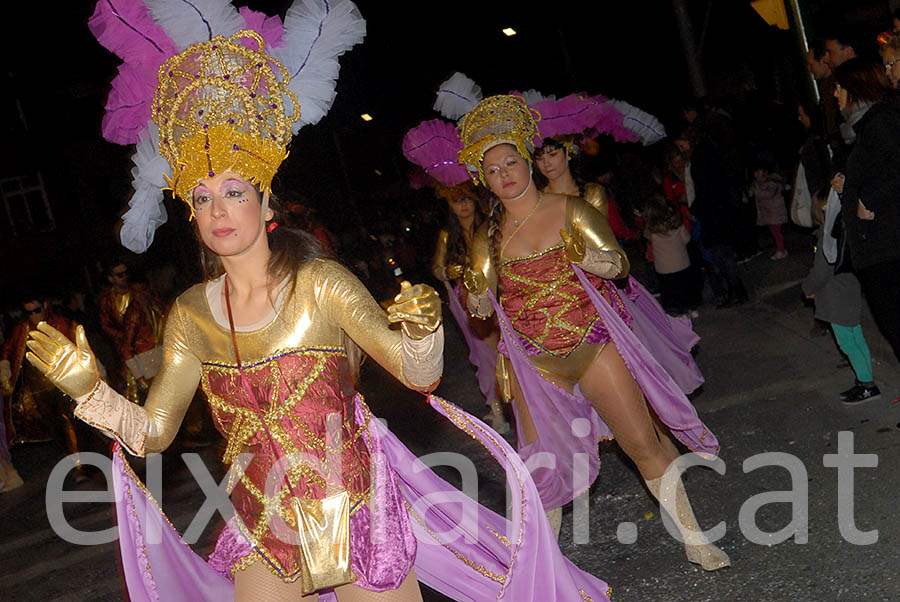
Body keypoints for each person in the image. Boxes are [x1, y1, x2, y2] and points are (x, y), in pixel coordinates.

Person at [27, 7, 613, 601]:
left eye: (233, 192)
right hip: (264, 529)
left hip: (359, 518)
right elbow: (153, 433)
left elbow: (420, 375)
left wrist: (422, 331)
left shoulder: (321, 283)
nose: (219, 211)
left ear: (267, 204)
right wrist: (88, 391)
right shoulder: (191, 315)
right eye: (202, 199)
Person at [461, 95, 727, 570]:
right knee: (543, 467)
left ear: (528, 162)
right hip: (535, 362)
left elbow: (619, 264)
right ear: (484, 179)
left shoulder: (571, 209)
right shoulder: (489, 236)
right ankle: (547, 570)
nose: (505, 174)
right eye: (494, 169)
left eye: (511, 162)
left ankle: (694, 537)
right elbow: (480, 301)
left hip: (592, 345)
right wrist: (477, 297)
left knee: (642, 442)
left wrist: (594, 259)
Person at [533, 136, 704, 395]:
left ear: (569, 153)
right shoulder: (536, 199)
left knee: (633, 354)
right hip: (562, 293)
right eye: (540, 157)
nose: (546, 162)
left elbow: (601, 242)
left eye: (552, 154)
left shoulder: (591, 192)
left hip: (600, 282)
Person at [831, 56, 900, 366]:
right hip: (880, 248)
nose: (835, 94)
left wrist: (867, 200)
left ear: (856, 89)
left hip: (888, 247)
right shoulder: (865, 127)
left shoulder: (879, 122)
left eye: (839, 88)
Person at [430, 181, 509, 434]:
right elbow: (436, 268)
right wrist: (447, 271)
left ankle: (524, 404)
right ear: (450, 206)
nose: (463, 205)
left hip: (498, 295)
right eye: (456, 201)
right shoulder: (447, 236)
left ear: (475, 201)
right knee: (484, 355)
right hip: (465, 302)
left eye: (466, 199)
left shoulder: (489, 228)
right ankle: (497, 412)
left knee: (510, 348)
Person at [1, 294, 91, 482]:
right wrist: (5, 373)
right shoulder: (21, 330)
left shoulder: (61, 323)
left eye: (37, 310)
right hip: (38, 390)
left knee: (75, 422)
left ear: (45, 305)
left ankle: (85, 463)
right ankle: (75, 463)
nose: (34, 316)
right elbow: (7, 350)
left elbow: (78, 346)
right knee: (55, 427)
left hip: (65, 384)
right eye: (29, 313)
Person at [802, 207, 880, 404]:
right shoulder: (848, 228)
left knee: (847, 343)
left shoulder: (827, 236)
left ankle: (867, 384)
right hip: (850, 289)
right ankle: (865, 379)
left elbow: (822, 270)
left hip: (835, 297)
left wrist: (808, 287)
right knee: (856, 337)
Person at [96, 258, 164, 402]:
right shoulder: (107, 300)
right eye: (120, 275)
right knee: (135, 393)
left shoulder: (138, 293)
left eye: (126, 273)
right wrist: (126, 336)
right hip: (125, 350)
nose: (125, 277)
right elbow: (105, 325)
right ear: (111, 278)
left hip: (148, 349)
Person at [643, 194, 701, 317]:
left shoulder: (650, 230)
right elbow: (687, 239)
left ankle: (680, 312)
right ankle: (692, 308)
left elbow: (647, 240)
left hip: (664, 267)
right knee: (686, 287)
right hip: (682, 263)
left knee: (671, 290)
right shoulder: (677, 224)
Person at [749, 161, 788, 260]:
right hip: (769, 213)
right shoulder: (758, 183)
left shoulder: (772, 182)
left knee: (776, 232)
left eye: (759, 172)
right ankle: (781, 249)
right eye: (755, 172)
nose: (756, 174)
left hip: (775, 212)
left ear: (765, 172)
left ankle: (781, 250)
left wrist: (756, 191)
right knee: (775, 232)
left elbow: (768, 194)